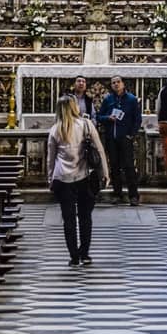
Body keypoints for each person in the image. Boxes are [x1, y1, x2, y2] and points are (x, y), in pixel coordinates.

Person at [47, 94, 108, 266]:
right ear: (75, 107)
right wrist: (105, 172)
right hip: (84, 176)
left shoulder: (55, 129)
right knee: (85, 217)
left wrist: (50, 178)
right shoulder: (86, 125)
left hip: (62, 177)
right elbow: (99, 150)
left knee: (68, 219)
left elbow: (50, 159)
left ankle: (73, 256)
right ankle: (85, 253)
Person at [99, 74, 142, 204]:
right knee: (115, 166)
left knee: (129, 166)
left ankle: (133, 196)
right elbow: (99, 116)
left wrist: (131, 134)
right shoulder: (108, 100)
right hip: (112, 137)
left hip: (125, 138)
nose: (116, 84)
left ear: (123, 84)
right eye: (113, 83)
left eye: (118, 82)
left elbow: (137, 119)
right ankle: (117, 193)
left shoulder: (131, 99)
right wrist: (108, 118)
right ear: (111, 86)